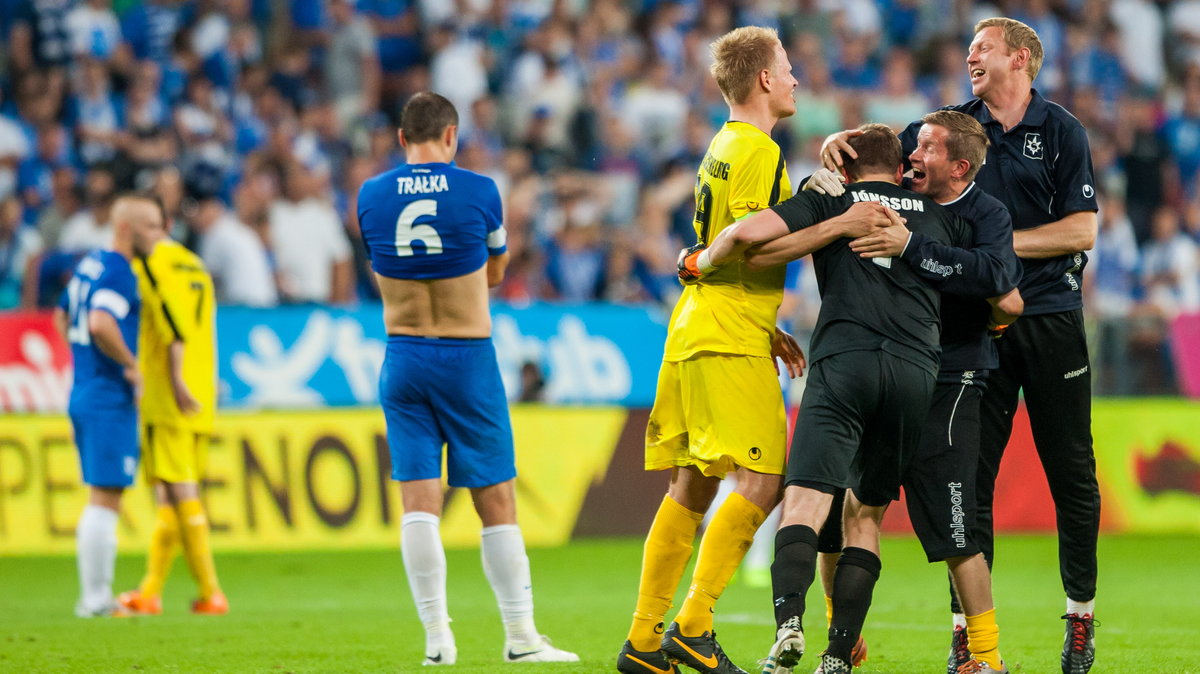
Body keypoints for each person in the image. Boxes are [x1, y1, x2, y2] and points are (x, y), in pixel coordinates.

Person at [822, 17, 1102, 674]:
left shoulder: (1060, 131)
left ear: (1023, 58)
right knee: (967, 483)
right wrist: (840, 139)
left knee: (1073, 477)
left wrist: (993, 250)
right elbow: (881, 157)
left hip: (1051, 315)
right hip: (972, 325)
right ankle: (968, 639)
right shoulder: (951, 128)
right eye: (969, 50)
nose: (970, 57)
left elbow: (1083, 228)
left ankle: (1080, 615)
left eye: (984, 49)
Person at [681, 124, 976, 674]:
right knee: (864, 517)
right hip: (915, 372)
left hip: (845, 359)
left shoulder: (829, 196)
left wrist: (701, 259)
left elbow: (753, 240)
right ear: (899, 168)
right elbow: (991, 286)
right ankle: (839, 656)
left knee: (808, 504)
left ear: (844, 164)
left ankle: (788, 625)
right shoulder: (939, 214)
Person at [356, 91, 577, 666]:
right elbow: (498, 271)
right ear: (451, 136)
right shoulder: (479, 190)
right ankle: (521, 638)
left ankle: (437, 639)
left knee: (418, 503)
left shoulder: (370, 195)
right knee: (497, 501)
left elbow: (381, 261)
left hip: (402, 355)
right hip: (466, 357)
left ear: (402, 139)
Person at [616, 26, 806, 674]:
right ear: (762, 80)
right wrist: (833, 225)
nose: (795, 78)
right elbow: (753, 239)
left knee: (692, 485)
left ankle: (644, 640)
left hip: (699, 323)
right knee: (763, 478)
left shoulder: (722, 145)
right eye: (786, 67)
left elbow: (728, 249)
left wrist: (767, 314)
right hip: (726, 334)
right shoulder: (756, 148)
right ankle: (694, 625)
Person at [807, 111, 1025, 674]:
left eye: (924, 147)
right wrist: (836, 144)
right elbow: (870, 150)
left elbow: (1001, 283)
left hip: (951, 381)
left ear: (957, 167)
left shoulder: (985, 214)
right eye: (912, 145)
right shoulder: (898, 191)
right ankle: (843, 638)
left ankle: (987, 659)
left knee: (957, 532)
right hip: (887, 370)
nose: (911, 155)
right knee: (847, 515)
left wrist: (911, 249)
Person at [116, 191, 226, 616]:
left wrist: (175, 380)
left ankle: (211, 592)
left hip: (170, 392)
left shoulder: (152, 266)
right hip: (202, 390)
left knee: (180, 491)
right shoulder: (193, 263)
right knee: (170, 495)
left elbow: (172, 327)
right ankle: (152, 592)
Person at [54, 194, 145, 617]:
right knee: (105, 498)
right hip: (108, 396)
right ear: (125, 228)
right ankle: (95, 599)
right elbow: (101, 322)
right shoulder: (119, 272)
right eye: (150, 228)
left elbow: (62, 317)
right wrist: (130, 366)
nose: (157, 237)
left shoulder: (90, 265)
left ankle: (94, 597)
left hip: (84, 387)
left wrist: (83, 359)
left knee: (102, 494)